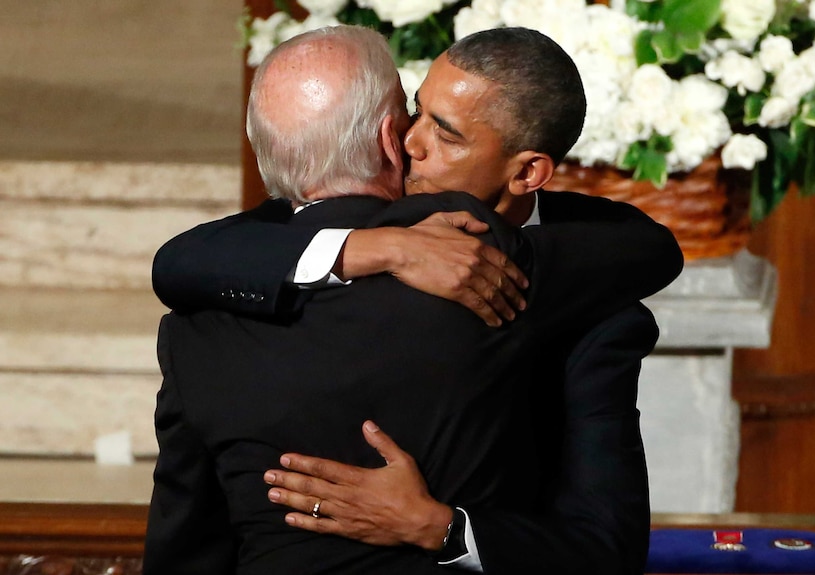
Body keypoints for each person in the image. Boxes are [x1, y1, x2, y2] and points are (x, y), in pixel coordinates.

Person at [148, 26, 682, 575]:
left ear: (527, 171)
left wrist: (443, 529)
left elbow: (603, 550)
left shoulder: (574, 288)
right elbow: (180, 259)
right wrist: (373, 247)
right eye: (414, 110)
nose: (409, 143)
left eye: (446, 134)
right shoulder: (253, 257)